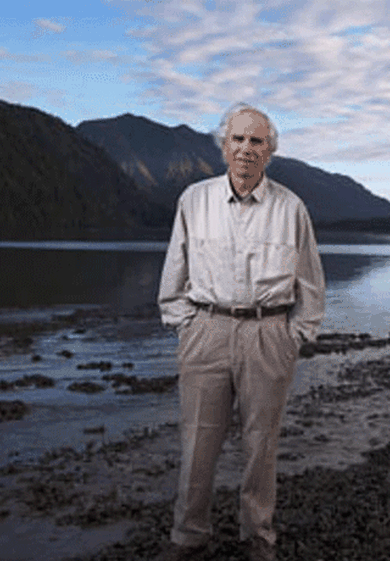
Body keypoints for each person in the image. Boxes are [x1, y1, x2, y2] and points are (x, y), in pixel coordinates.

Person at [156, 103, 326, 561]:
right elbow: (176, 267)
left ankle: (257, 535)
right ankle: (189, 534)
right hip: (205, 329)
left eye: (257, 142)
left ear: (270, 151)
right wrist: (184, 324)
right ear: (223, 146)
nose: (247, 150)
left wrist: (295, 336)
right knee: (197, 440)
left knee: (261, 442)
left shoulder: (290, 208)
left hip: (267, 334)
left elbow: (310, 281)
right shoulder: (194, 200)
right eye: (238, 140)